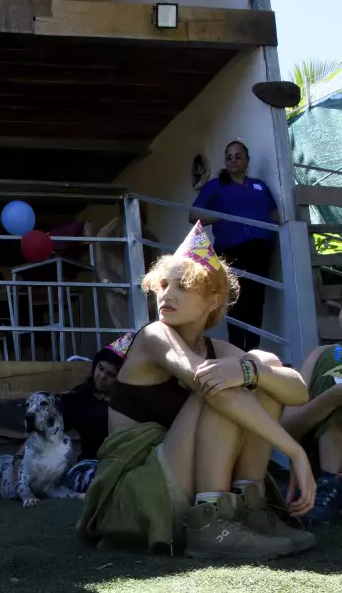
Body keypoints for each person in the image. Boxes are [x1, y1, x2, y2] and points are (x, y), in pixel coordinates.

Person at [76, 222, 316, 560]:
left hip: (184, 477)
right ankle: (211, 523)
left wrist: (250, 369)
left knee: (262, 361)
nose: (166, 295)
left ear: (213, 299)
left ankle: (249, 508)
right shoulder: (153, 335)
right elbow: (208, 385)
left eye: (183, 286)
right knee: (216, 384)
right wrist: (295, 452)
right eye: (163, 284)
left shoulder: (217, 348)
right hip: (140, 494)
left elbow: (298, 393)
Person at [189, 139, 279, 351]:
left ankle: (254, 351)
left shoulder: (259, 186)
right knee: (238, 302)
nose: (233, 160)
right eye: (229, 157)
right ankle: (237, 351)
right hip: (231, 250)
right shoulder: (215, 186)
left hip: (259, 250)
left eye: (238, 156)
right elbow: (193, 215)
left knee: (257, 300)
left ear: (247, 160)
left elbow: (275, 215)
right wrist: (222, 216)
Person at [280, 326, 342, 526]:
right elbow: (287, 427)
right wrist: (333, 398)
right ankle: (329, 482)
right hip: (320, 456)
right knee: (334, 361)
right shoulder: (323, 355)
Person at [59, 337, 125, 494]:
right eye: (100, 368)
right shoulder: (79, 396)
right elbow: (49, 426)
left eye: (110, 374)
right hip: (89, 465)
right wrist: (19, 459)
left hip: (122, 464)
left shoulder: (127, 399)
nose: (102, 377)